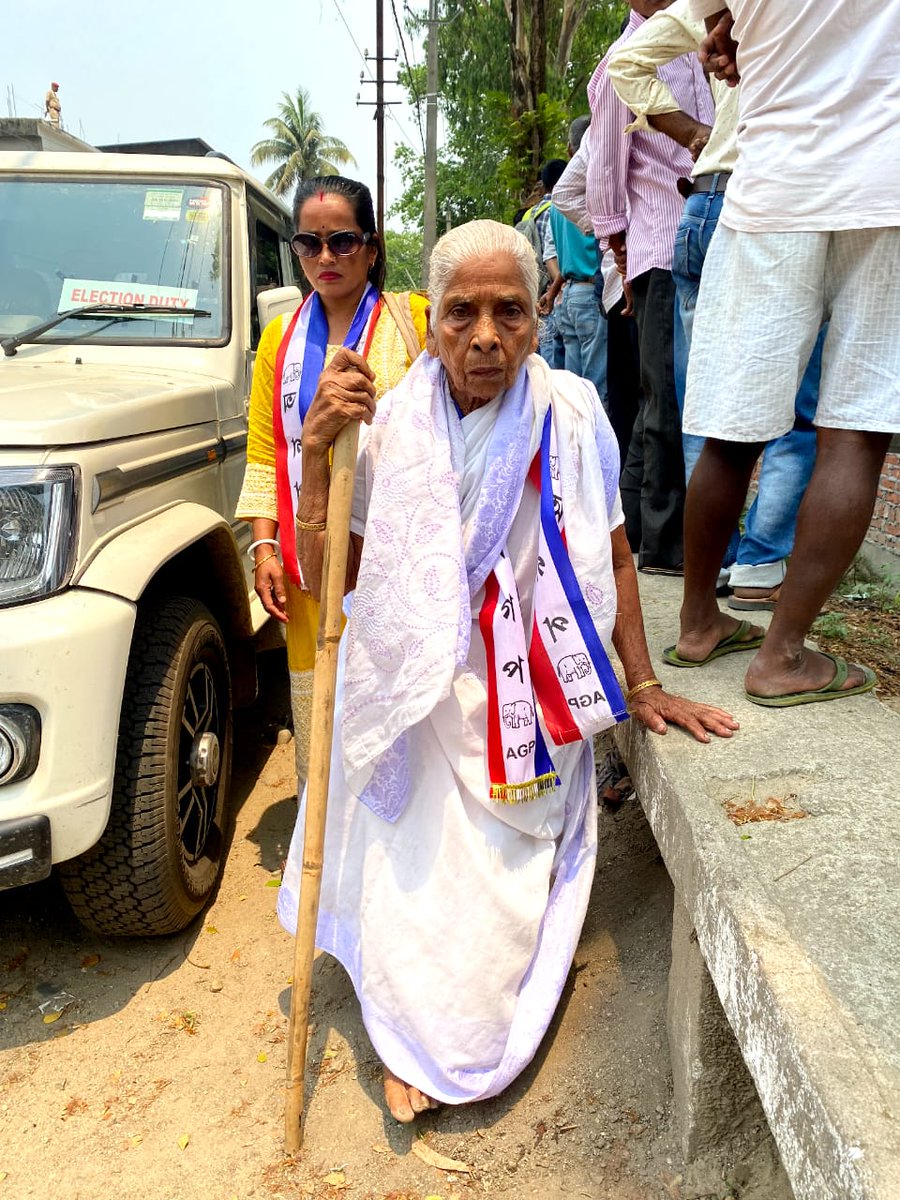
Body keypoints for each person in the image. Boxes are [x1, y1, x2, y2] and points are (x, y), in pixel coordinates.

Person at [277, 219, 738, 1123]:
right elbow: (337, 571)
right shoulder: (389, 423)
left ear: (541, 315)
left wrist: (641, 685)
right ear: (434, 318)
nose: (486, 336)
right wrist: (312, 456)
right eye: (462, 313)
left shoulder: (571, 415)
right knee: (407, 860)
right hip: (422, 692)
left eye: (509, 312)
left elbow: (610, 557)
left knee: (492, 903)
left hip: (526, 695)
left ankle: (452, 1035)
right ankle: (404, 1028)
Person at [671, 0, 900, 705]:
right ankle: (783, 655)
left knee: (732, 429)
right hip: (884, 183)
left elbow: (702, 24)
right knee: (856, 429)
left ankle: (699, 622)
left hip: (771, 184)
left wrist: (728, 33)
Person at [606, 0, 821, 612]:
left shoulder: (716, 11)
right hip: (772, 193)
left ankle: (715, 561)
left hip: (701, 204)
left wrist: (701, 138)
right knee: (796, 398)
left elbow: (627, 62)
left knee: (704, 395)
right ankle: (756, 564)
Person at [235, 176, 427, 785]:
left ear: (372, 247)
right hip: (310, 560)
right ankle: (324, 841)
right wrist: (264, 545)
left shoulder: (413, 322)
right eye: (309, 244)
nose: (325, 259)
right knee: (321, 701)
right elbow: (266, 450)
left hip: (397, 558)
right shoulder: (278, 340)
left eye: (342, 242)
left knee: (400, 705)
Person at [586, 0, 714, 575]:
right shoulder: (623, 61)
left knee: (702, 397)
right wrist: (619, 250)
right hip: (659, 246)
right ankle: (665, 545)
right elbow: (608, 169)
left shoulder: (702, 43)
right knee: (665, 397)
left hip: (712, 239)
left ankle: (694, 535)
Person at [540, 118, 608, 405]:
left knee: (571, 384)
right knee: (595, 384)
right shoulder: (593, 194)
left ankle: (570, 442)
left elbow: (550, 254)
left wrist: (554, 290)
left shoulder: (559, 201)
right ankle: (595, 443)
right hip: (591, 292)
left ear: (570, 150)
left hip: (567, 296)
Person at [517, 159, 567, 368]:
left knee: (535, 353)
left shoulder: (529, 214)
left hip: (532, 292)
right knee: (553, 354)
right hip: (554, 291)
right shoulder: (559, 209)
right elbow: (553, 253)